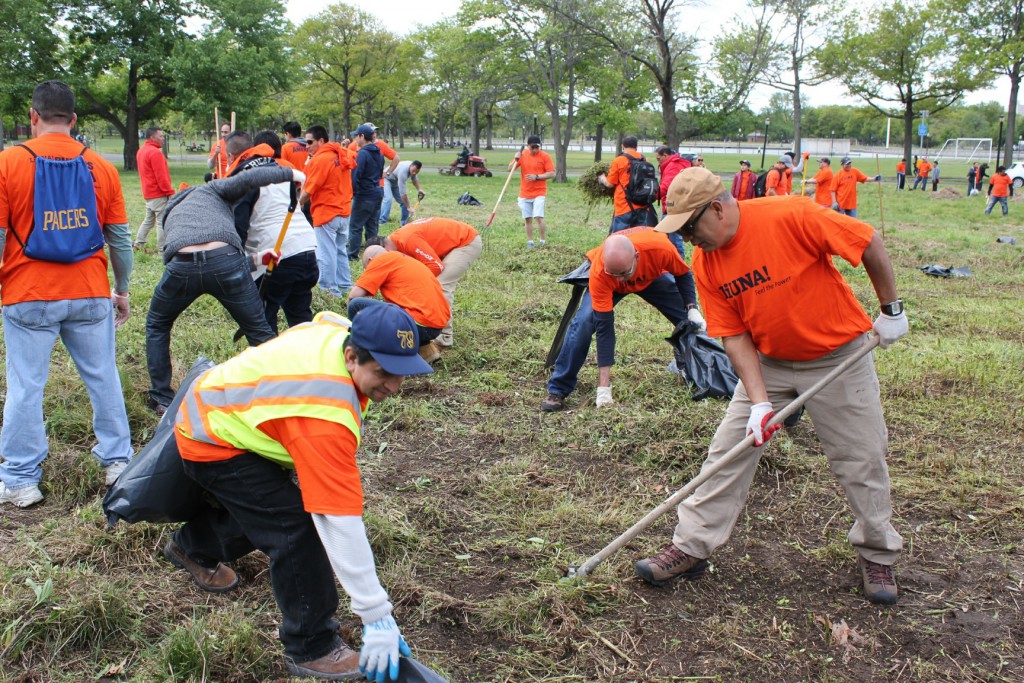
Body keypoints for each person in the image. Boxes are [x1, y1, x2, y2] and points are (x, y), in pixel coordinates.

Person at [638, 167, 908, 606]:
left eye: (691, 226)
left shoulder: (791, 214)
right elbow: (733, 335)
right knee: (726, 454)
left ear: (719, 208)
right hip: (770, 363)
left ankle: (877, 552)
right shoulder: (707, 263)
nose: (688, 239)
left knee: (861, 456)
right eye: (680, 231)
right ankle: (691, 547)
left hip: (839, 356)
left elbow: (867, 241)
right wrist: (759, 403)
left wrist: (891, 308)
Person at [167, 304, 432, 681]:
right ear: (351, 356)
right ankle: (312, 646)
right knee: (296, 527)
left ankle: (192, 547)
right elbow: (336, 519)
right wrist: (376, 615)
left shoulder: (341, 332)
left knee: (267, 508)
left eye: (401, 373)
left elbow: (325, 317)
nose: (392, 385)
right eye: (383, 373)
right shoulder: (323, 413)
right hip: (212, 438)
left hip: (233, 415)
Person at [0, 80, 134, 507]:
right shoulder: (102, 167)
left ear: (33, 117)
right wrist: (123, 289)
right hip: (90, 293)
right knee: (103, 376)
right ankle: (117, 461)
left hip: (27, 293)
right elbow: (121, 239)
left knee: (26, 386)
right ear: (74, 120)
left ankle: (20, 479)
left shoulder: (8, 163)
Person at [145, 144, 304, 415]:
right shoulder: (213, 189)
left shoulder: (171, 211)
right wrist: (293, 174)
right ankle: (281, 390)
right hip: (225, 260)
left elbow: (196, 254)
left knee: (157, 324)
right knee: (260, 331)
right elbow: (249, 178)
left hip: (181, 265)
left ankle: (161, 398)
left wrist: (255, 259)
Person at [540, 228, 701, 412]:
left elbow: (683, 274)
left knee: (689, 321)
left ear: (637, 257)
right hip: (608, 284)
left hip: (650, 277)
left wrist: (692, 308)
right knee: (583, 323)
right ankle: (558, 388)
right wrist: (603, 387)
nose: (621, 279)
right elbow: (605, 329)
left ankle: (710, 370)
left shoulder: (660, 248)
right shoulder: (602, 271)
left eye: (624, 273)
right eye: (614, 274)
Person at [229, 131, 319, 334]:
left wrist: (235, 264)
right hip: (307, 248)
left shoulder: (245, 178)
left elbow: (238, 228)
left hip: (277, 255)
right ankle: (308, 359)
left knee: (264, 319)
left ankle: (268, 362)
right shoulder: (280, 170)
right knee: (300, 317)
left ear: (231, 157)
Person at [366, 216, 482, 348]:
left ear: (385, 249)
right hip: (455, 240)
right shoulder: (398, 242)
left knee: (441, 283)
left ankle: (444, 337)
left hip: (466, 241)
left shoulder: (406, 240)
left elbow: (435, 266)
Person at [348, 245, 451, 363]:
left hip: (419, 324)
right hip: (435, 326)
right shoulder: (404, 260)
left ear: (370, 261)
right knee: (394, 309)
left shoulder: (381, 260)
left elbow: (354, 295)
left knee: (355, 304)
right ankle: (427, 351)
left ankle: (359, 347)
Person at [299, 124, 356, 298]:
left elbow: (310, 189)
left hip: (326, 213)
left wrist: (297, 204)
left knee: (326, 253)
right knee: (339, 250)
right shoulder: (340, 153)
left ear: (321, 141)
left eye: (310, 142)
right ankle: (345, 286)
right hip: (343, 211)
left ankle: (329, 290)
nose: (307, 146)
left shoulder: (321, 159)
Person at [599, 136, 658, 232]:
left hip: (624, 205)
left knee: (619, 237)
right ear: (636, 147)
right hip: (642, 203)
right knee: (638, 235)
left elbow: (610, 184)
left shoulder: (619, 160)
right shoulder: (644, 159)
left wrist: (602, 178)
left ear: (622, 146)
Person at [347, 124, 385, 261]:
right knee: (372, 226)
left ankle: (352, 255)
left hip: (364, 195)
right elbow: (380, 173)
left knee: (356, 226)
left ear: (362, 136)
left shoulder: (362, 154)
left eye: (357, 136)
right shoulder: (379, 153)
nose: (356, 139)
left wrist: (352, 193)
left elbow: (355, 175)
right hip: (377, 192)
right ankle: (373, 253)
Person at [133, 126, 174, 251]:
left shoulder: (142, 150)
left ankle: (138, 243)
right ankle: (163, 249)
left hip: (148, 193)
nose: (163, 138)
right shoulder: (155, 153)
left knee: (149, 220)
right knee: (162, 221)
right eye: (161, 136)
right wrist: (170, 192)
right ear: (152, 137)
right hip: (158, 193)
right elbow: (161, 177)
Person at [511, 135, 555, 249]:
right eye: (532, 147)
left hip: (539, 193)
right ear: (527, 146)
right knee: (528, 218)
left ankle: (542, 241)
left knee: (539, 217)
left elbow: (551, 173)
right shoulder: (523, 155)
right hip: (524, 193)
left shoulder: (545, 156)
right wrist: (516, 159)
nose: (535, 149)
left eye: (537, 147)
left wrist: (537, 177)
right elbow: (509, 168)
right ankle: (530, 242)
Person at [380, 160, 424, 226]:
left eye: (416, 172)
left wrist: (419, 189)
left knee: (404, 203)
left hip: (394, 181)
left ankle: (404, 223)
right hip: (386, 179)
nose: (414, 173)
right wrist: (409, 207)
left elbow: (414, 179)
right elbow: (403, 194)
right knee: (388, 199)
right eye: (413, 171)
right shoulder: (403, 172)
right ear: (411, 166)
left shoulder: (413, 169)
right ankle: (382, 221)